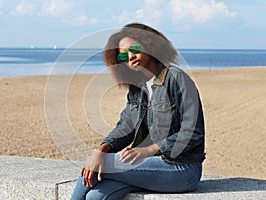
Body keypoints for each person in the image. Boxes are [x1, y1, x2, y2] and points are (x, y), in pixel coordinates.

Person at [71, 23, 205, 200]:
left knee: (97, 166)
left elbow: (193, 132)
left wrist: (150, 150)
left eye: (134, 49)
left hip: (181, 168)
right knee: (95, 196)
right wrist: (102, 148)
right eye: (123, 55)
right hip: (150, 166)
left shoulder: (176, 78)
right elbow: (125, 126)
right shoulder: (137, 87)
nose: (130, 57)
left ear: (149, 45)